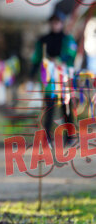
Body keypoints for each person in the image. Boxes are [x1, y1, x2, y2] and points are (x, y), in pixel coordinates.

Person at [30, 10, 78, 145]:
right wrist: (32, 73)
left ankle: (70, 136)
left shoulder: (67, 39)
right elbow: (37, 57)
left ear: (61, 23)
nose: (55, 25)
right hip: (49, 78)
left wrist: (60, 60)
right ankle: (46, 137)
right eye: (53, 22)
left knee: (66, 106)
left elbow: (71, 53)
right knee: (49, 107)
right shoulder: (43, 40)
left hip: (63, 76)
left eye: (57, 22)